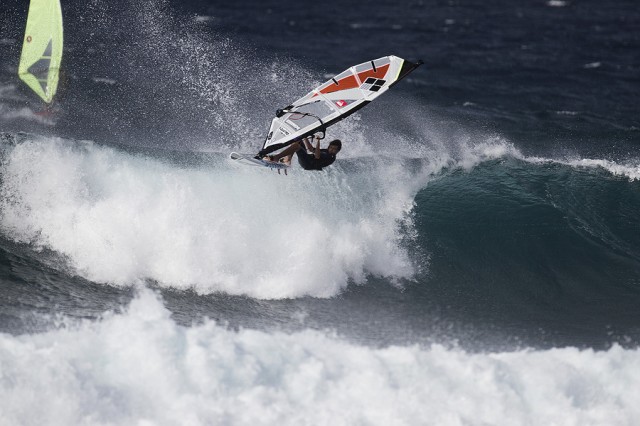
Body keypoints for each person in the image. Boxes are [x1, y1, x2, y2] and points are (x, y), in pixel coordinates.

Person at [264, 135, 341, 170]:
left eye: (334, 149)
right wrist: (305, 137)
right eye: (331, 147)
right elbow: (311, 149)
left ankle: (276, 158)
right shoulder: (326, 151)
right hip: (307, 159)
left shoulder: (331, 157)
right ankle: (287, 160)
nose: (331, 149)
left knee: (297, 147)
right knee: (297, 139)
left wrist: (318, 141)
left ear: (338, 151)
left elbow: (317, 156)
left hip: (308, 164)